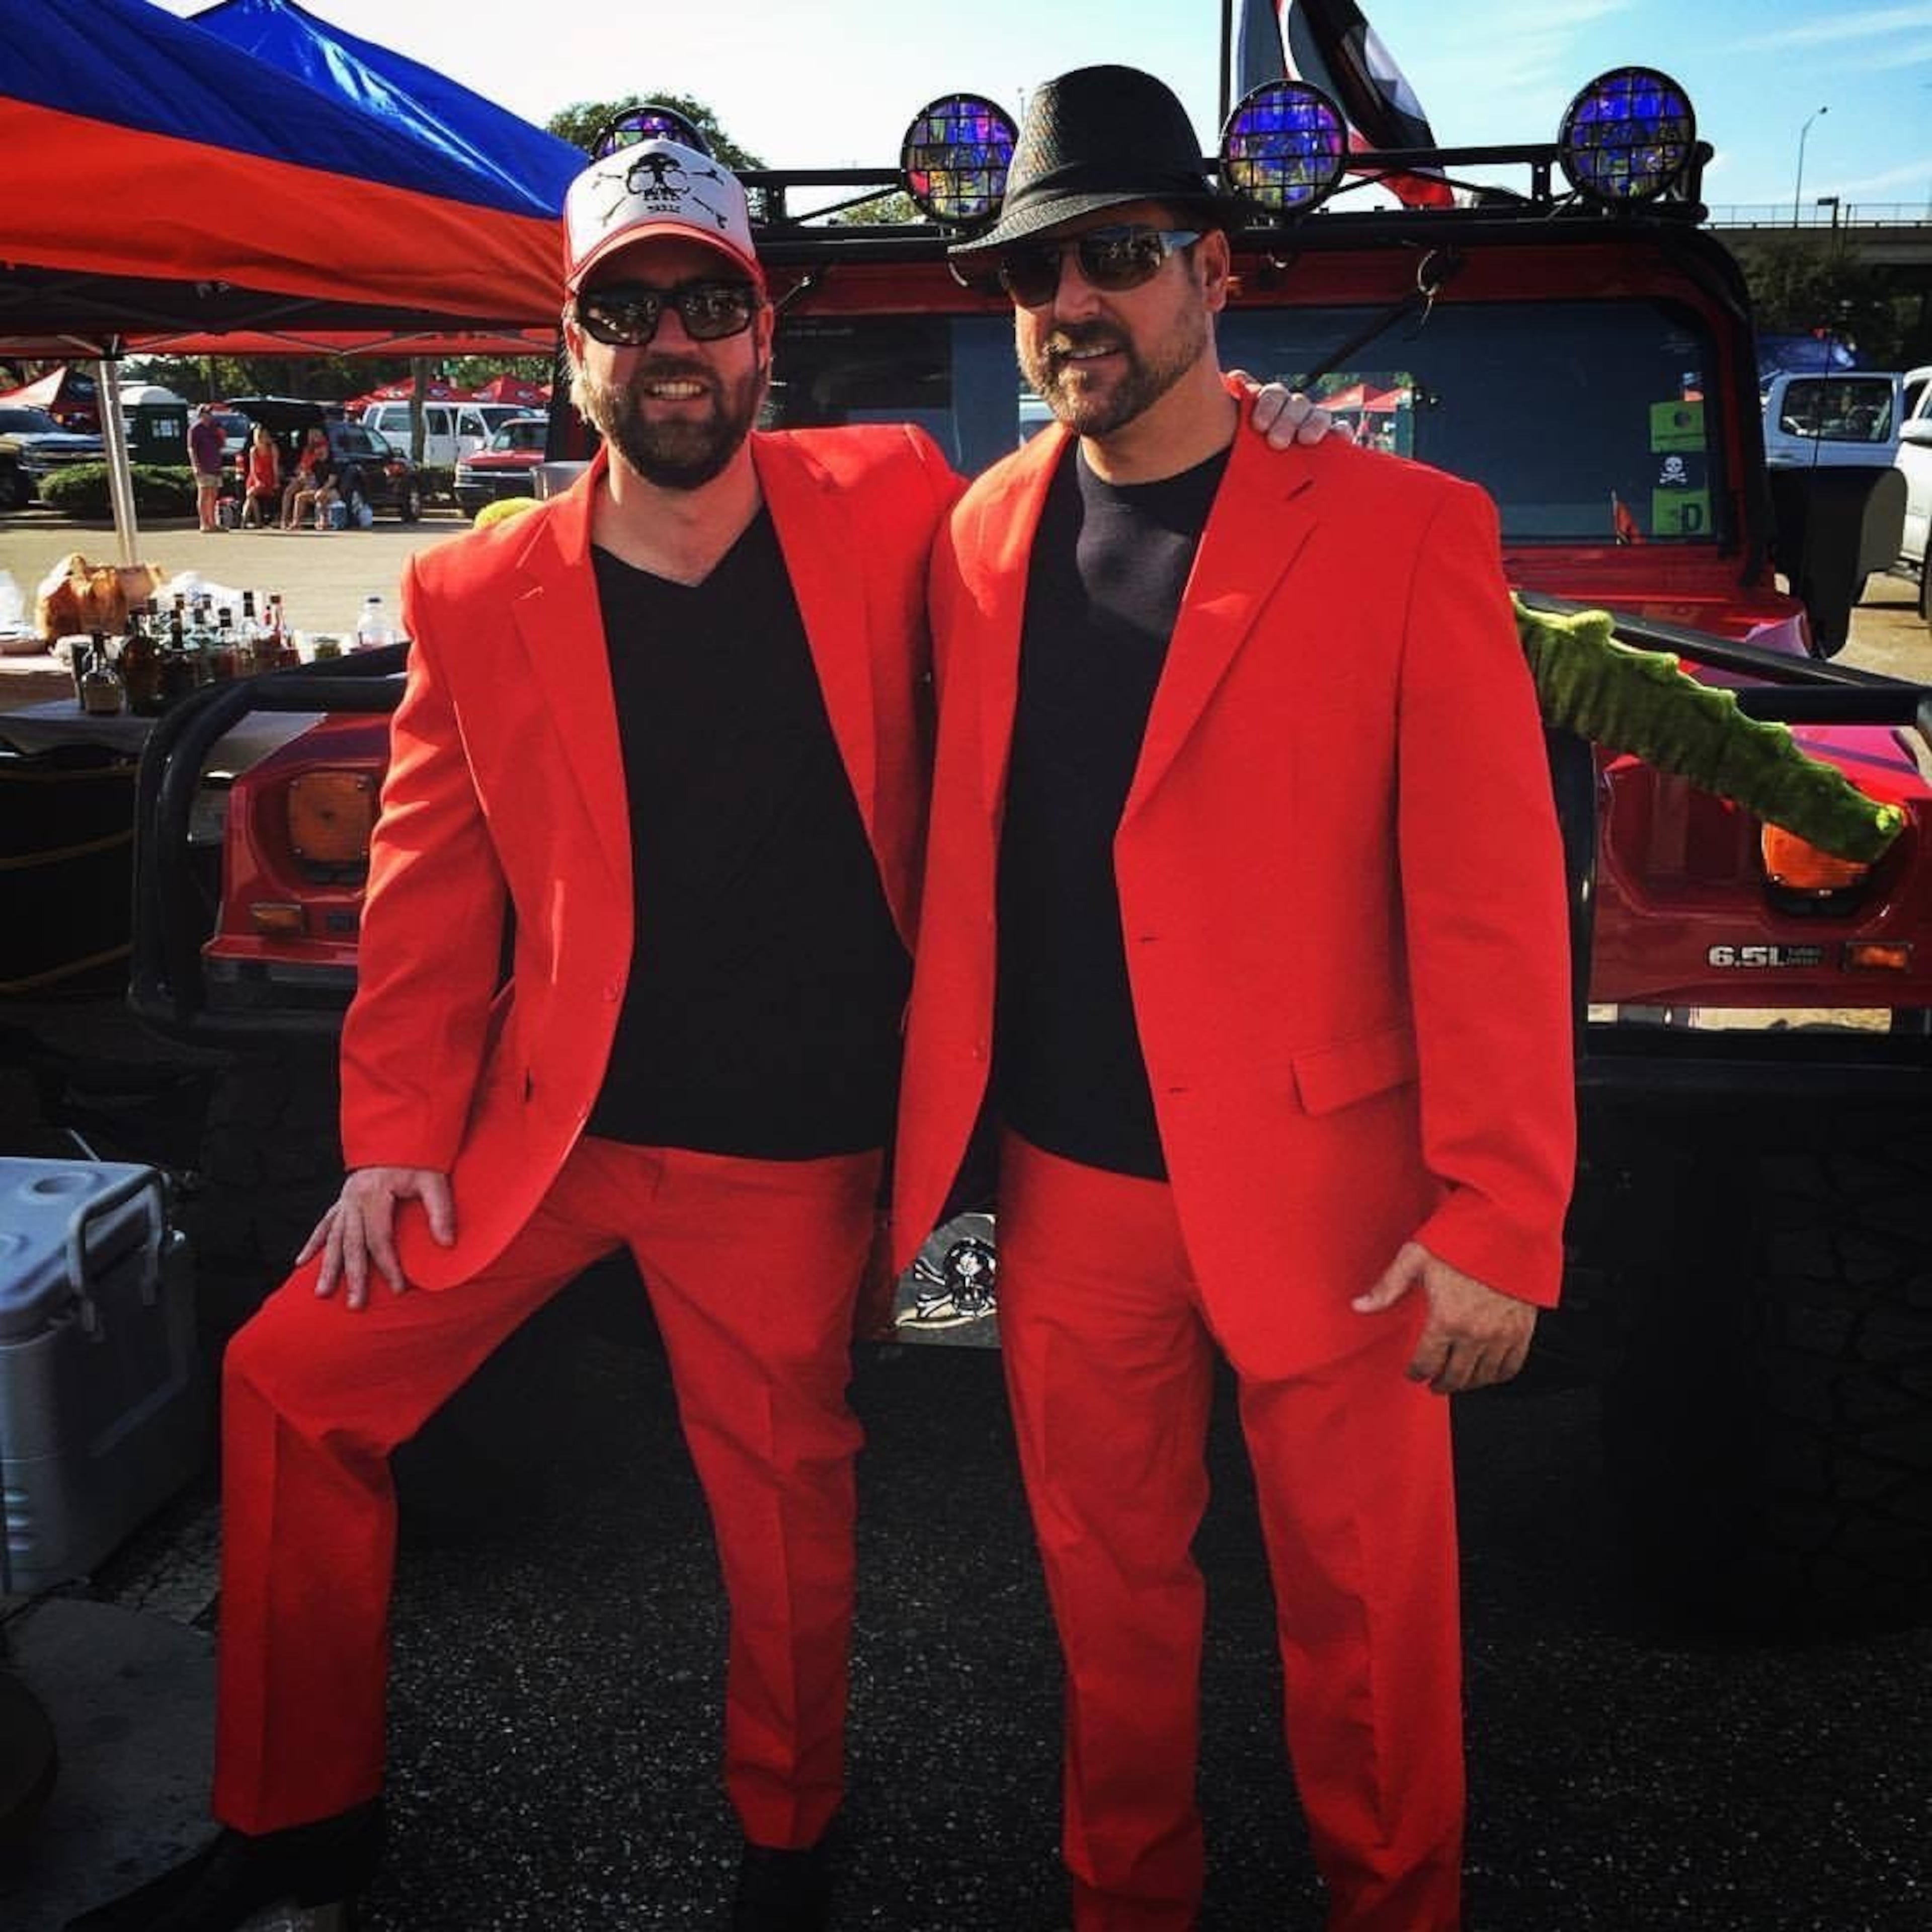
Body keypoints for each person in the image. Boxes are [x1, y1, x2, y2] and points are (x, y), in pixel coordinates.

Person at [64, 131, 1337, 1932]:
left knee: (783, 1492)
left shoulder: (893, 495)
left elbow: (1112, 510)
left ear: (762, 334)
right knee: (289, 1386)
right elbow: (429, 886)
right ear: (570, 345)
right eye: (625, 304)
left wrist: (1294, 478)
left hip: (796, 1149)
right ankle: (298, 1824)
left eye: (706, 300)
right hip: (542, 1133)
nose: (670, 337)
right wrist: (391, 1135)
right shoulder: (473, 590)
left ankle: (789, 1833)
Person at [891, 65, 1577, 1932]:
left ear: (1213, 272)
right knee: (1108, 1606)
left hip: (1334, 1188)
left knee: (1365, 1621)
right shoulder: (972, 542)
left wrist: (1501, 1211)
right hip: (1069, 1187)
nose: (1071, 303)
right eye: (1035, 270)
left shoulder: (1405, 528)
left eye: (1117, 255)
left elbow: (1496, 904)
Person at [279, 425, 330, 528]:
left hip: (313, 476)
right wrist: (298, 471)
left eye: (315, 434)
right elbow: (302, 464)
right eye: (310, 435)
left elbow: (319, 462)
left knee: (303, 493)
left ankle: (297, 521)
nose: (312, 437)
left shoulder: (323, 447)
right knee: (288, 491)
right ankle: (284, 520)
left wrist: (306, 472)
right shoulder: (307, 448)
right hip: (303, 475)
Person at [188, 403, 226, 533]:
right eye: (206, 413)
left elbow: (222, 445)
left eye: (210, 413)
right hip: (203, 466)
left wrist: (222, 434)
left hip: (216, 465)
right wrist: (195, 466)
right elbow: (192, 449)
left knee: (214, 495)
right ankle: (204, 523)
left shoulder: (215, 428)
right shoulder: (195, 430)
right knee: (204, 494)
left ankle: (213, 523)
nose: (209, 415)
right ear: (201, 415)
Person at [238, 425, 280, 529]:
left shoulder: (273, 448)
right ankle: (253, 521)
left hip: (268, 477)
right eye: (261, 436)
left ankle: (251, 521)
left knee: (250, 495)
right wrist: (257, 481)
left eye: (265, 436)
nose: (263, 438)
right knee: (250, 495)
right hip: (256, 477)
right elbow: (253, 469)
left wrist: (276, 481)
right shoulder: (254, 450)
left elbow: (275, 466)